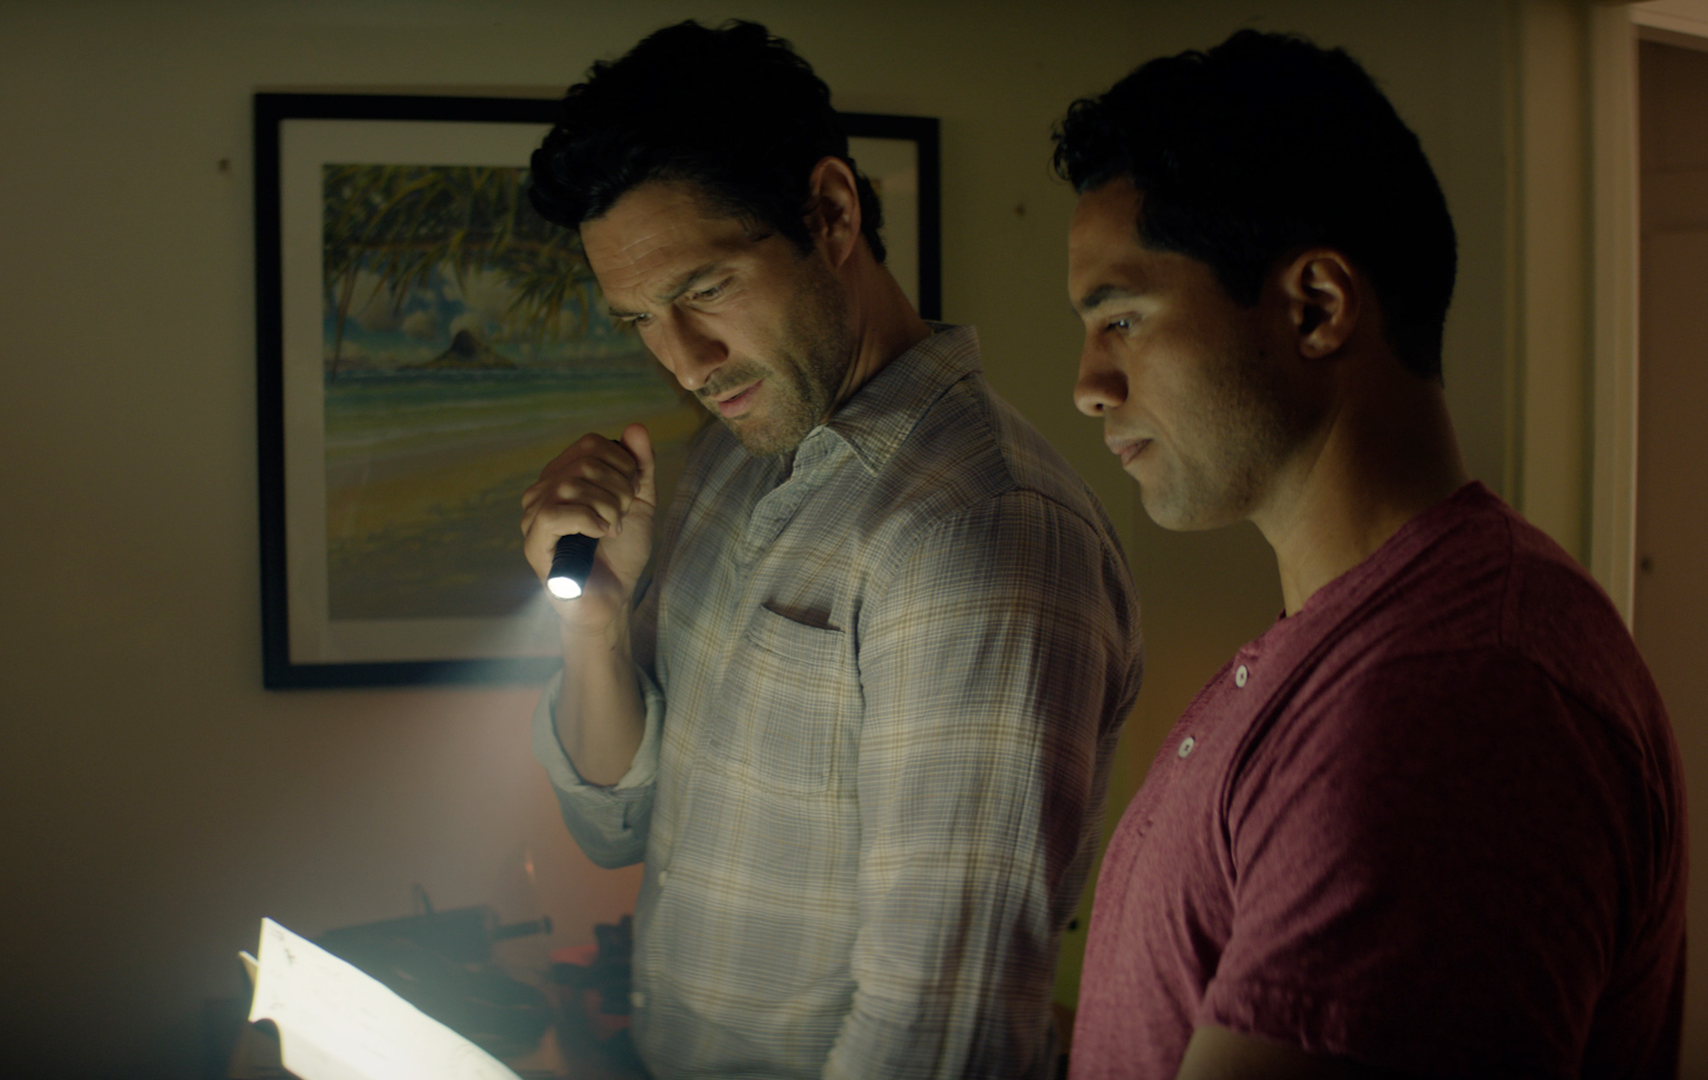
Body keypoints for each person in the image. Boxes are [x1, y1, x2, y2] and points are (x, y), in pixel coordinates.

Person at [1054, 29, 1686, 1079]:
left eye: (1121, 318)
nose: (1088, 386)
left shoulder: (1455, 695)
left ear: (1316, 307)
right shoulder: (1348, 647)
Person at [516, 20, 1141, 1079]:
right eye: (641, 321)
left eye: (704, 291)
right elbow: (616, 829)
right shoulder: (726, 460)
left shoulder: (976, 532)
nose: (685, 362)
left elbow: (940, 1041)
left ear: (833, 212)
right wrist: (598, 626)